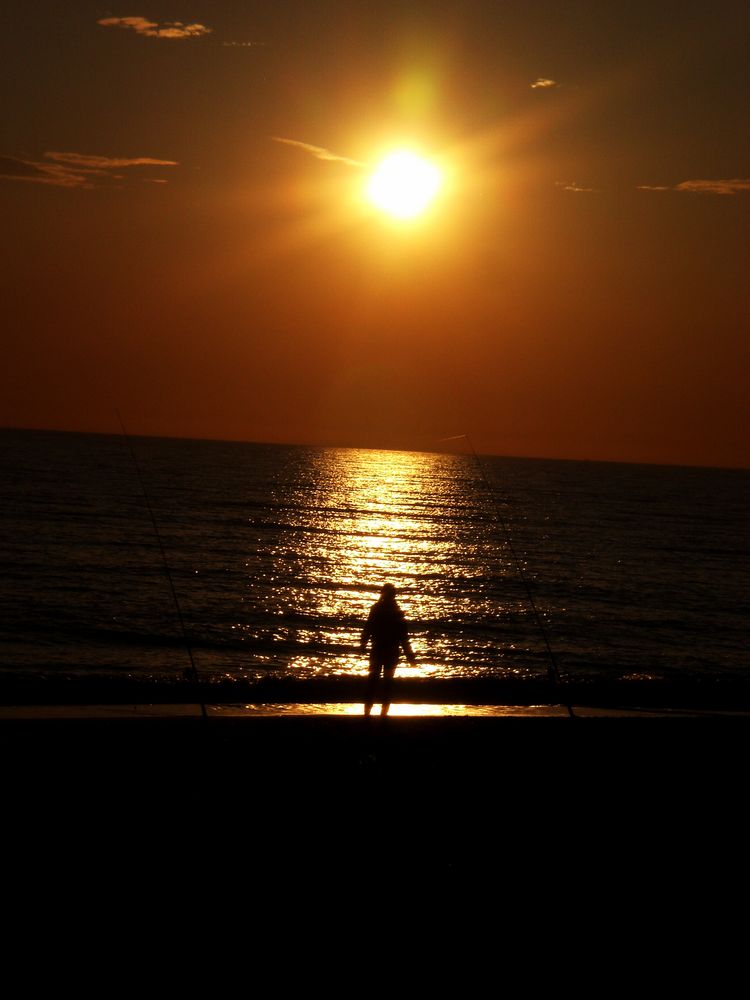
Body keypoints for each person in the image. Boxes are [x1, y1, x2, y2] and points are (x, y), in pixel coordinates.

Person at [359, 583, 416, 716]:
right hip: (390, 652)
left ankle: (368, 713)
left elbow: (368, 627)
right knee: (386, 683)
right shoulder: (396, 612)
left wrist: (363, 643)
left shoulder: (377, 609)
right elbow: (404, 637)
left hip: (378, 650)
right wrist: (409, 655)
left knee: (373, 681)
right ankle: (382, 714)